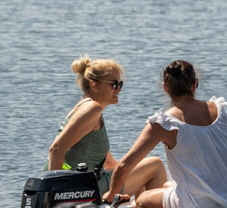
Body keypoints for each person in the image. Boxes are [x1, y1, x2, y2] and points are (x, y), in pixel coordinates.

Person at [107, 59, 227, 208]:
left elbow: (125, 165)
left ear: (165, 88)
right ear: (194, 84)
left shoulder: (165, 123)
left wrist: (109, 198)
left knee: (142, 201)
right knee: (166, 186)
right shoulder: (219, 111)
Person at [48, 57, 166, 198]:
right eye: (114, 84)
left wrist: (124, 181)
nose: (118, 89)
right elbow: (56, 149)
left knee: (137, 172)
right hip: (82, 189)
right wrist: (53, 195)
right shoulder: (92, 109)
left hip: (85, 185)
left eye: (120, 84)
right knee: (155, 166)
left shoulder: (88, 110)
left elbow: (110, 164)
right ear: (94, 85)